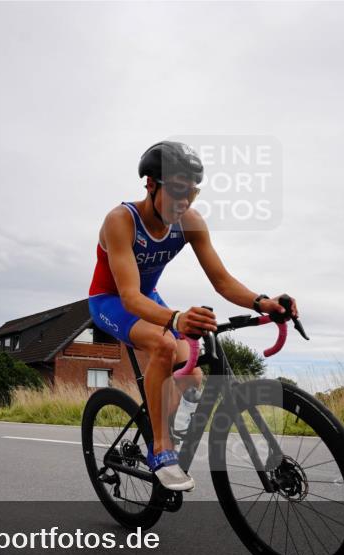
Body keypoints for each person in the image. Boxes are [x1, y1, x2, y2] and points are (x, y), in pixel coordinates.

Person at [88, 141, 298, 492]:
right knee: (163, 347)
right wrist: (175, 319)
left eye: (192, 192)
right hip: (111, 301)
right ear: (151, 185)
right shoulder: (121, 221)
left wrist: (263, 302)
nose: (184, 201)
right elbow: (129, 296)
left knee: (193, 372)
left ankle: (163, 426)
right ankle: (160, 449)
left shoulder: (190, 223)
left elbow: (222, 281)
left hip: (149, 298)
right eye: (177, 191)